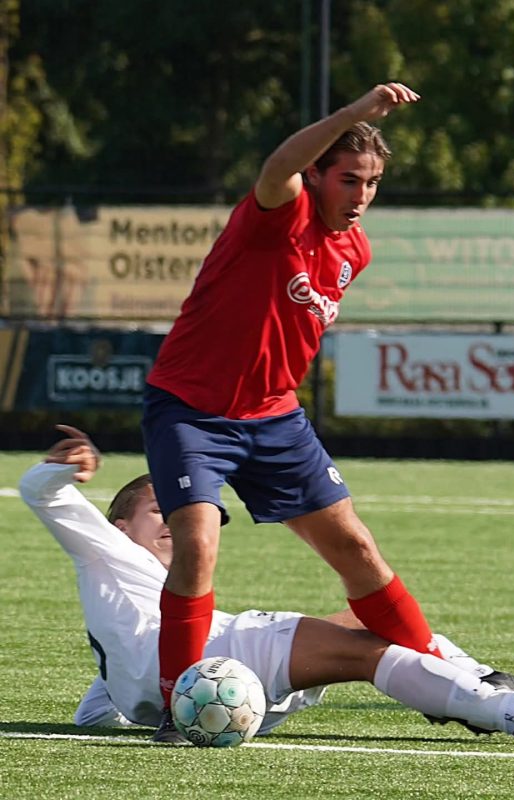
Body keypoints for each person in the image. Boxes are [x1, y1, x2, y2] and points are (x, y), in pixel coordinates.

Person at [142, 82, 461, 738]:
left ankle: (439, 676)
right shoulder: (279, 213)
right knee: (198, 545)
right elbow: (275, 168)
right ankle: (179, 702)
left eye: (373, 182)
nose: (362, 196)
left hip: (274, 419)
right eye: (350, 180)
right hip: (192, 411)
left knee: (359, 550)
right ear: (316, 175)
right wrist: (353, 115)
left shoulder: (355, 251)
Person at [20, 425, 514, 746]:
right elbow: (38, 492)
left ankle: (484, 683)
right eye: (160, 507)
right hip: (217, 659)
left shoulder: (127, 597)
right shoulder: (107, 548)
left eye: (193, 512)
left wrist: (108, 715)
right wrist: (66, 468)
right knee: (370, 649)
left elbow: (103, 701)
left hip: (192, 682)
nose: (182, 520)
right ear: (119, 525)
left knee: (366, 629)